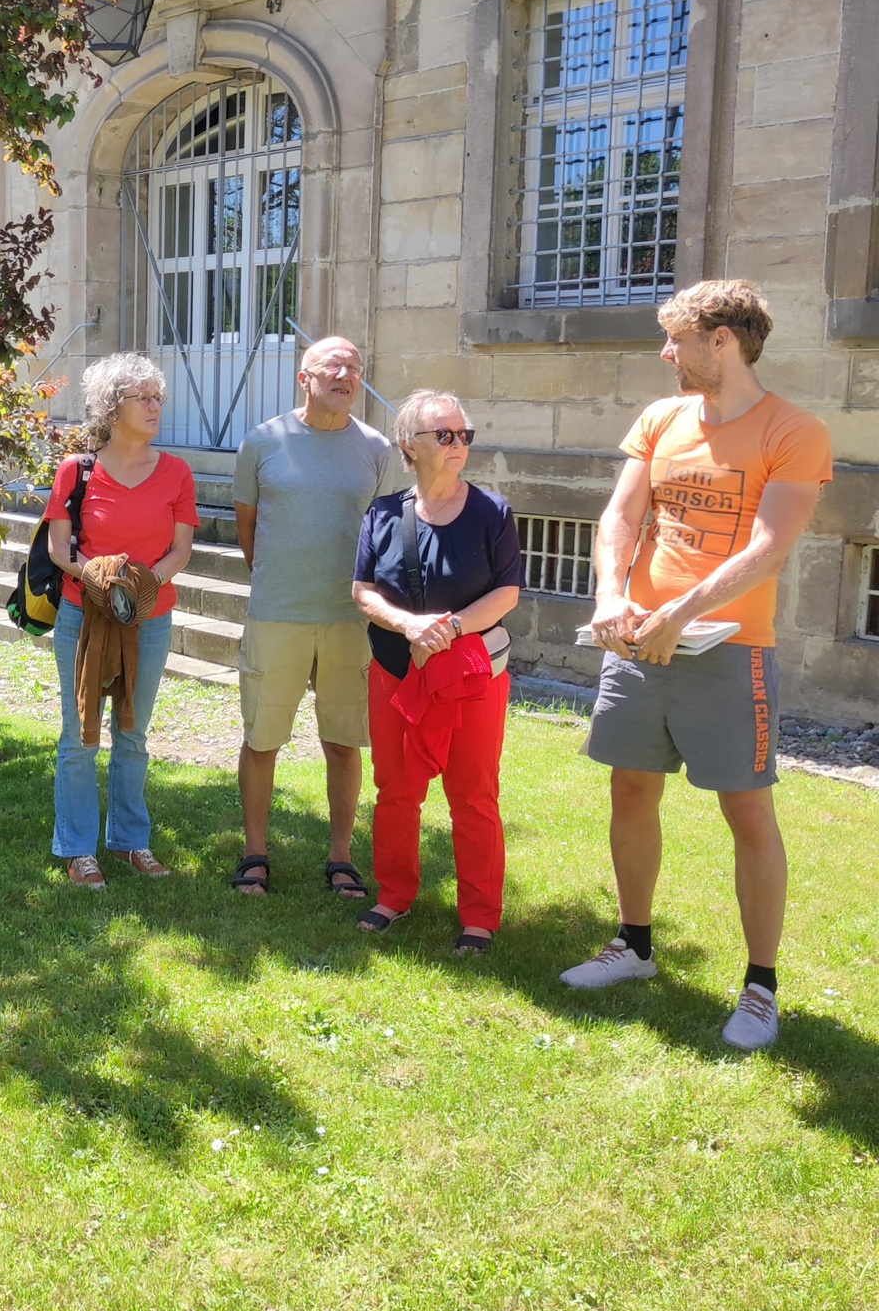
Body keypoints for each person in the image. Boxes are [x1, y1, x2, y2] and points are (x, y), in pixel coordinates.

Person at [561, 280, 833, 1051]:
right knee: (631, 787)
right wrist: (613, 594)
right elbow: (621, 513)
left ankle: (760, 988)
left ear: (723, 341)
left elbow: (769, 547)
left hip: (729, 650)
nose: (665, 353)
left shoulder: (794, 430)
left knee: (747, 811)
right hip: (637, 640)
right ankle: (635, 946)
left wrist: (678, 614)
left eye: (675, 338)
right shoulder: (660, 419)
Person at [351, 389, 521, 954]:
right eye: (443, 435)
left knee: (473, 794)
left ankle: (479, 916)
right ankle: (393, 894)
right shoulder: (382, 513)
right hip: (396, 672)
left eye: (463, 435)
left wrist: (445, 629)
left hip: (468, 680)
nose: (457, 445)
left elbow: (506, 593)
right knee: (396, 788)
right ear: (409, 445)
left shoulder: (491, 512)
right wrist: (408, 626)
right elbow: (363, 590)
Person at [228, 335, 397, 897]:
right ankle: (254, 854)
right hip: (277, 613)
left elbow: (388, 536)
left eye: (354, 366)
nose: (345, 374)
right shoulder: (263, 441)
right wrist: (276, 578)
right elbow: (247, 528)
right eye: (333, 364)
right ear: (305, 376)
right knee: (262, 738)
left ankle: (341, 856)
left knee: (344, 741)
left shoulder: (375, 449)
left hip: (350, 620)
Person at [44, 353, 197, 888]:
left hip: (150, 617)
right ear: (114, 407)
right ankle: (77, 849)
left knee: (132, 731)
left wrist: (142, 585)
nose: (155, 406)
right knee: (79, 735)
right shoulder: (76, 469)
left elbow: (181, 550)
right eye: (144, 398)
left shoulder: (176, 471)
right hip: (81, 616)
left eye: (158, 397)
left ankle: (131, 840)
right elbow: (59, 548)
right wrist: (103, 583)